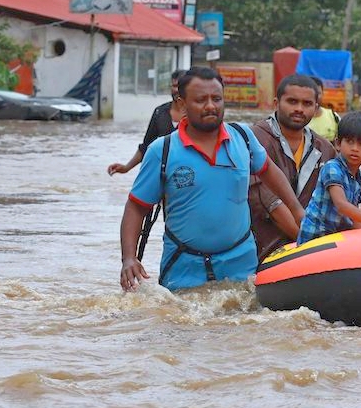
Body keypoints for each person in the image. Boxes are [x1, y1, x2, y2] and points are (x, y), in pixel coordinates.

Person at [118, 67, 304, 292]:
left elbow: (269, 171)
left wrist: (297, 210)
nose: (210, 106)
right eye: (200, 100)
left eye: (217, 98)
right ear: (182, 103)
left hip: (240, 266)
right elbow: (136, 207)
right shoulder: (163, 150)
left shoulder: (243, 138)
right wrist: (128, 258)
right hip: (183, 268)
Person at [248, 74, 337, 260]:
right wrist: (309, 245)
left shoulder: (325, 148)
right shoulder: (254, 139)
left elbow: (336, 202)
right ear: (276, 103)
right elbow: (268, 202)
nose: (299, 109)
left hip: (311, 246)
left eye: (306, 104)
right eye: (292, 101)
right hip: (265, 248)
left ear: (316, 107)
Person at [298, 112, 361, 244]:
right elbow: (342, 205)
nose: (354, 148)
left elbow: (352, 218)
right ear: (338, 143)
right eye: (349, 142)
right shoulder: (332, 168)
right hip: (315, 238)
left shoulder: (358, 178)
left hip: (334, 238)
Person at [108, 69, 187, 175]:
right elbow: (146, 146)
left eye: (180, 86)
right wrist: (126, 167)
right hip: (161, 174)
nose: (177, 90)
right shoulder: (160, 112)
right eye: (174, 86)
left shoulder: (195, 115)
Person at [307, 77, 341, 143]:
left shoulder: (333, 117)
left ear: (323, 94)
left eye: (318, 93)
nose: (315, 96)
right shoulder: (299, 118)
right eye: (312, 93)